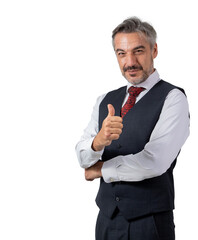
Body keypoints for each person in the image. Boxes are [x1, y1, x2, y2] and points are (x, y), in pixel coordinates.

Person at [75, 17, 190, 240]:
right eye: (122, 53)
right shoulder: (104, 100)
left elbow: (154, 161)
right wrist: (98, 142)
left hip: (149, 223)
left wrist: (100, 170)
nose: (130, 62)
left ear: (154, 50)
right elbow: (82, 156)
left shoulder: (173, 98)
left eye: (138, 51)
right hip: (107, 220)